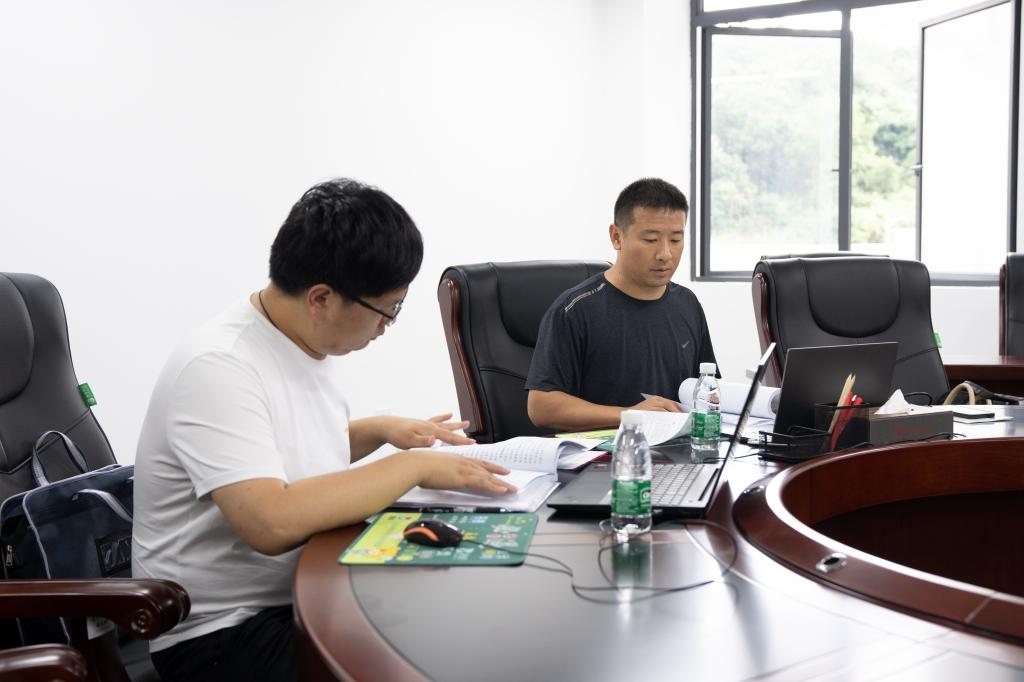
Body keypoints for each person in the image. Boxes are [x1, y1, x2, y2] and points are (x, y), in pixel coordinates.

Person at [132, 178, 516, 682]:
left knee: (465, 623)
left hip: (304, 590)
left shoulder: (301, 340)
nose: (385, 327)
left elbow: (283, 451)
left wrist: (379, 429)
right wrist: (413, 467)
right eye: (387, 311)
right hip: (223, 633)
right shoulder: (218, 366)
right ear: (322, 298)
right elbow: (270, 521)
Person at [525, 177, 717, 431]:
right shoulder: (575, 310)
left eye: (675, 240)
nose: (665, 254)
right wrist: (630, 415)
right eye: (650, 240)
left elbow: (706, 387)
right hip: (608, 451)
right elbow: (541, 407)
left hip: (677, 447)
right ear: (617, 237)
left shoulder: (687, 303)